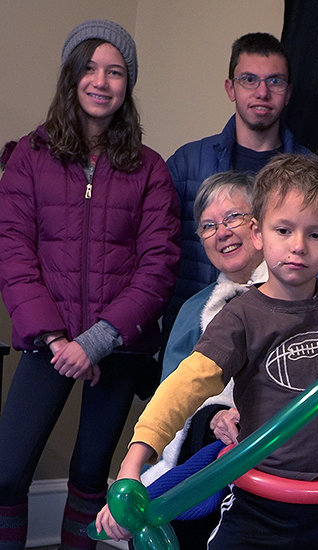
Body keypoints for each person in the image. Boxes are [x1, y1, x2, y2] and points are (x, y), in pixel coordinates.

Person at [96, 153, 318, 548]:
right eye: (284, 230)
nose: (298, 246)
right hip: (257, 503)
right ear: (258, 233)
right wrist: (133, 463)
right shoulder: (238, 316)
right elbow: (183, 386)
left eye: (316, 234)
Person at [0, 20, 180, 550]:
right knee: (7, 472)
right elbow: (13, 254)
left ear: (128, 85)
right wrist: (59, 342)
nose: (102, 81)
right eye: (90, 68)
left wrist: (96, 342)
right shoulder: (28, 158)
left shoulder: (150, 169)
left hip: (119, 345)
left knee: (88, 475)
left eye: (116, 71)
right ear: (71, 76)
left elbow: (158, 267)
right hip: (47, 343)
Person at [163, 32, 318, 355]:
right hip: (196, 334)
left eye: (275, 81)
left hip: (286, 340)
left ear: (288, 92)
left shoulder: (316, 176)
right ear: (230, 88)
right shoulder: (186, 164)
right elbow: (160, 253)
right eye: (249, 79)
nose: (262, 92)